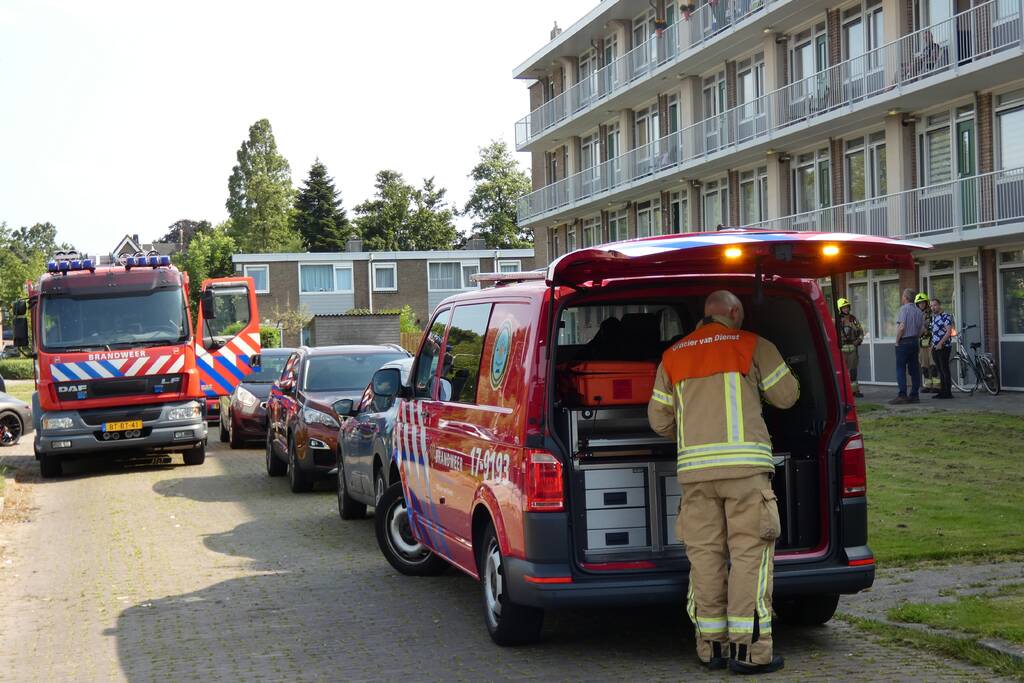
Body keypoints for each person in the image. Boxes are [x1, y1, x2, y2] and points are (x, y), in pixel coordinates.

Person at [648, 290, 799, 675]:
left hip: (696, 477)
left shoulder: (674, 355)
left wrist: (695, 431)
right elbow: (787, 397)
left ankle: (710, 648)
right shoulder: (752, 344)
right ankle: (749, 653)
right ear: (734, 312)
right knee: (749, 557)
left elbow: (659, 421)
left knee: (705, 559)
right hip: (746, 474)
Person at [891, 288, 925, 404]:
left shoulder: (903, 310)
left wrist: (897, 341)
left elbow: (902, 327)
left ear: (905, 297)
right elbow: (922, 329)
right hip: (914, 342)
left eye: (902, 296)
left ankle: (902, 395)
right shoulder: (919, 312)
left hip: (904, 342)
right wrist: (916, 337)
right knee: (914, 369)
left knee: (900, 369)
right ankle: (915, 395)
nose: (902, 298)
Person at [837, 298, 865, 398]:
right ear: (840, 309)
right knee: (841, 372)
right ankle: (842, 392)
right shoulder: (836, 320)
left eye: (847, 307)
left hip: (853, 349)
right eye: (843, 307)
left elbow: (861, 332)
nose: (846, 309)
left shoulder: (853, 319)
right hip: (841, 350)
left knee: (853, 372)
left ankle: (854, 391)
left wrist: (857, 342)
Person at [930, 298, 955, 399]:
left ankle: (948, 392)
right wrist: (933, 344)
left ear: (939, 305)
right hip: (935, 347)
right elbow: (934, 332)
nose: (933, 307)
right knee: (939, 369)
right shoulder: (934, 317)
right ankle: (942, 391)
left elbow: (948, 332)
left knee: (945, 369)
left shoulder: (946, 316)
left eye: (935, 305)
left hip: (944, 347)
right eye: (931, 306)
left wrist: (940, 343)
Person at [916, 293, 938, 393]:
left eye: (923, 302)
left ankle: (936, 386)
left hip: (931, 342)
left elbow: (926, 328)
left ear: (926, 303)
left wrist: (920, 331)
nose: (921, 304)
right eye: (919, 303)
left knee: (933, 364)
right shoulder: (917, 314)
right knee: (924, 365)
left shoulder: (930, 313)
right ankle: (928, 385)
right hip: (922, 343)